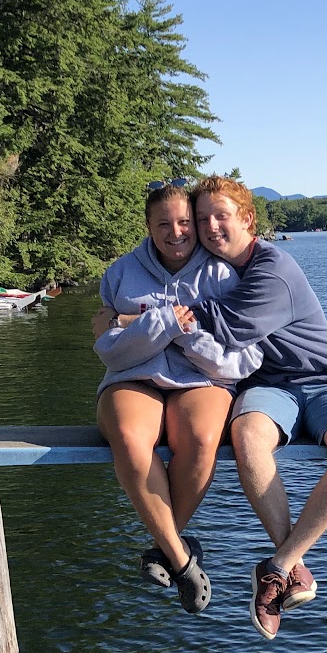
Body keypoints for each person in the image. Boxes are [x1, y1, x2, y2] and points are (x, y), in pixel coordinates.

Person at [175, 175, 327, 639]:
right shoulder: (207, 266)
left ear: (247, 219)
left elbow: (229, 326)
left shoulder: (274, 268)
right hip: (271, 386)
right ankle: (293, 567)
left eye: (221, 216)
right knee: (247, 438)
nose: (211, 227)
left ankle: (278, 564)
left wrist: (142, 318)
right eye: (202, 218)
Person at [93, 182, 262, 613]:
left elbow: (241, 359)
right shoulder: (121, 272)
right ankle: (183, 559)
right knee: (131, 439)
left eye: (185, 222)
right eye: (164, 223)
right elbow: (109, 348)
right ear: (148, 226)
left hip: (202, 378)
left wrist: (185, 338)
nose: (177, 232)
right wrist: (163, 324)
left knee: (202, 438)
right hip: (134, 377)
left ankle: (162, 548)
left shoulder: (222, 274)